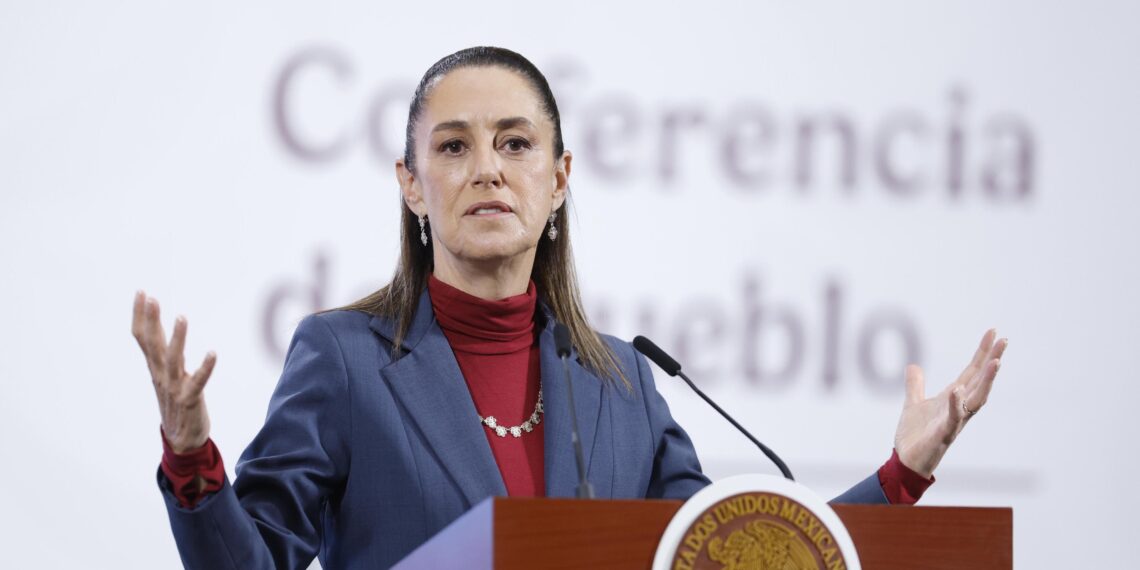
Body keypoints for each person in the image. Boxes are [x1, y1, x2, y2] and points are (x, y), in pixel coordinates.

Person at [131, 47, 1008, 569]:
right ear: (411, 185)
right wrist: (190, 454)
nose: (487, 168)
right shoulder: (344, 358)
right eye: (453, 146)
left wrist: (899, 478)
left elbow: (724, 554)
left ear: (559, 180)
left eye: (515, 143)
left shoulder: (624, 381)